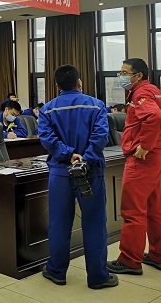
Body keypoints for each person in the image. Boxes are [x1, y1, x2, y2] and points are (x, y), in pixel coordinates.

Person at [38, 64, 117, 290]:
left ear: (57, 85)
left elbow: (47, 138)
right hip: (90, 172)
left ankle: (56, 272)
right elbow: (101, 136)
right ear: (79, 82)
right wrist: (85, 158)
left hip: (60, 173)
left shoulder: (47, 110)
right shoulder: (96, 105)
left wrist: (68, 154)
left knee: (59, 223)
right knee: (94, 223)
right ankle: (98, 277)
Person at [107, 58, 161, 276]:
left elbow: (154, 117)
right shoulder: (155, 91)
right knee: (155, 209)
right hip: (156, 158)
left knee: (133, 211)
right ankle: (159, 256)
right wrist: (157, 141)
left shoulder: (141, 93)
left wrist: (145, 145)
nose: (121, 77)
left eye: (124, 73)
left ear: (137, 76)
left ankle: (130, 260)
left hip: (142, 161)